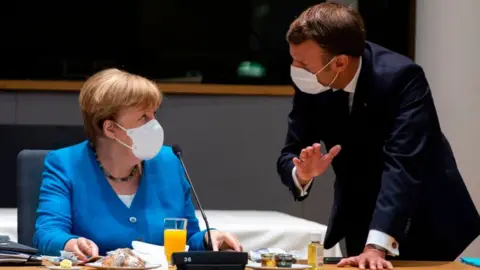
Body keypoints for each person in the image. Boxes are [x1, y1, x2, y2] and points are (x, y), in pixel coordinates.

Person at [276, 2, 480, 269]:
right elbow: (289, 153)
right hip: (361, 213)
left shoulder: (402, 77)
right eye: (293, 58)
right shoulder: (312, 80)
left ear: (339, 63)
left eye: (302, 62)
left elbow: (403, 164)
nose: (295, 68)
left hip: (423, 215)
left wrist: (376, 247)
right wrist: (303, 173)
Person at [34, 68, 242, 259]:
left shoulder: (170, 161)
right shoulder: (65, 164)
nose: (155, 125)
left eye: (154, 115)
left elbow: (187, 237)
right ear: (110, 129)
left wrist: (210, 238)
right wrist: (69, 243)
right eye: (143, 117)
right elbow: (47, 233)